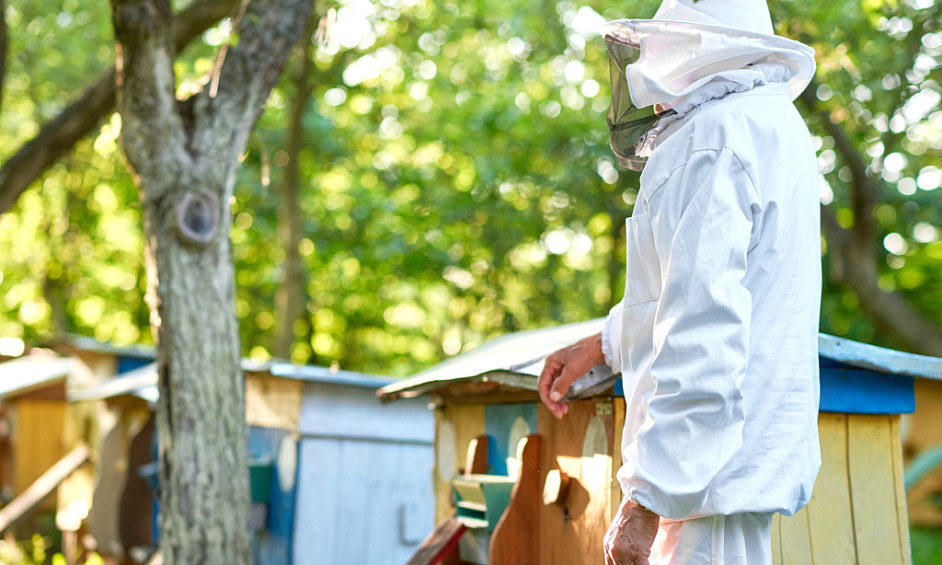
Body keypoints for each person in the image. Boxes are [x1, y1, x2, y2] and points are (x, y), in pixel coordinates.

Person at [537, 1, 822, 563]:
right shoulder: (772, 126)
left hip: (696, 498)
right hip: (718, 485)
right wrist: (605, 342)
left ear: (690, 46)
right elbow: (712, 290)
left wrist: (646, 501)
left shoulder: (714, 136)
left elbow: (702, 326)